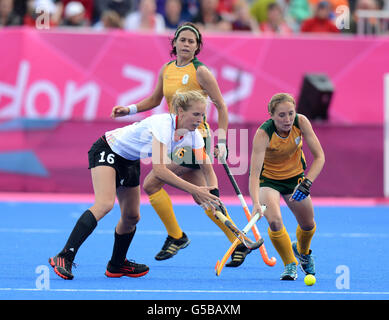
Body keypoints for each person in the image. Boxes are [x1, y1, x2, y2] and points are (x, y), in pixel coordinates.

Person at [111, 22, 247, 264]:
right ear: (174, 43)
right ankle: (238, 241)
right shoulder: (167, 69)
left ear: (197, 47)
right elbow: (154, 100)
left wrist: (223, 140)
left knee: (153, 183)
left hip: (195, 136)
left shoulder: (201, 72)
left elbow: (221, 106)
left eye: (191, 41)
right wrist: (129, 109)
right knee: (201, 195)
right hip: (178, 136)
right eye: (182, 40)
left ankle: (177, 236)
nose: (186, 44)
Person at [49, 90, 221, 280]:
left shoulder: (194, 135)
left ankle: (116, 265)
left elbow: (207, 168)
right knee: (105, 204)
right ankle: (64, 255)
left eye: (203, 115)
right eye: (195, 114)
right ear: (180, 111)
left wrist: (214, 197)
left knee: (131, 216)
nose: (200, 119)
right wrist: (195, 190)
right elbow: (160, 171)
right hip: (108, 149)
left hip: (130, 160)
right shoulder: (164, 125)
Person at [248, 93, 325, 280]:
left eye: (291, 113)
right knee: (274, 221)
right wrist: (256, 203)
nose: (288, 119)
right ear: (271, 115)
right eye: (281, 115)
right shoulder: (263, 134)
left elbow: (320, 157)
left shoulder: (301, 122)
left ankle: (303, 252)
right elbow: (254, 174)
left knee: (308, 224)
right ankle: (290, 263)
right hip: (269, 181)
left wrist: (306, 183)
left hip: (296, 180)